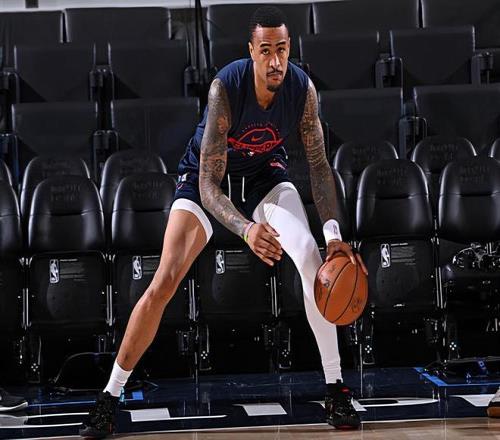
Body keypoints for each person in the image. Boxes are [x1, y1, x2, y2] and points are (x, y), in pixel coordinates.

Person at [80, 6, 368, 438]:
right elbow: (208, 185)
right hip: (206, 180)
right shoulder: (225, 88)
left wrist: (333, 236)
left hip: (264, 177)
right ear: (251, 51)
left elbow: (318, 165)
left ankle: (335, 387)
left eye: (282, 49)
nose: (275, 61)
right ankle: (109, 397)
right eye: (266, 50)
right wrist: (247, 229)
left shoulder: (302, 89)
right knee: (164, 281)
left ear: (290, 48)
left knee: (313, 259)